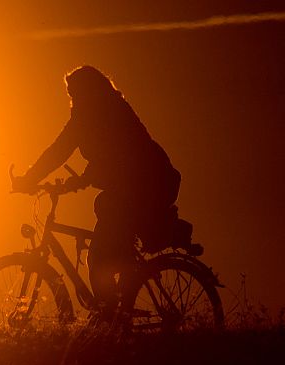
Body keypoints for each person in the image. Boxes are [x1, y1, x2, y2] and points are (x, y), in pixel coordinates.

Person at [12, 65, 181, 320]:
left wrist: (31, 180)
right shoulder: (98, 112)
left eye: (76, 91)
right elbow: (63, 151)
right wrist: (64, 181)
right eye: (70, 92)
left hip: (148, 186)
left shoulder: (104, 113)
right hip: (140, 186)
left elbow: (114, 157)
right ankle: (119, 305)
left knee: (99, 260)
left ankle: (111, 317)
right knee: (107, 213)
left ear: (90, 90)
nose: (73, 97)